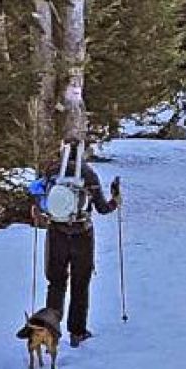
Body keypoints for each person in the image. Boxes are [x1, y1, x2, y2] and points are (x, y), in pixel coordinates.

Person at [32, 148, 121, 346]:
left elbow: (40, 202)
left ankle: (51, 330)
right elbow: (102, 208)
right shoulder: (88, 174)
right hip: (82, 234)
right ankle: (77, 332)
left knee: (56, 283)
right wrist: (115, 200)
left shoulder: (51, 172)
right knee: (80, 285)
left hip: (56, 232)